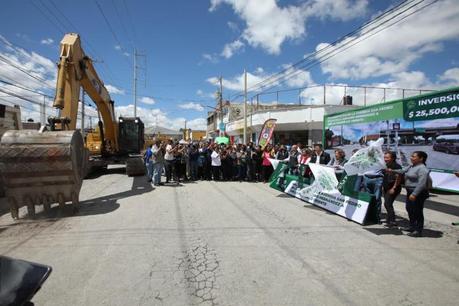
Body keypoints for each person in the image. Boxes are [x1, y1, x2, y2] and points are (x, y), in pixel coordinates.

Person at [388, 151, 430, 237]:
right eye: (411, 156)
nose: (411, 158)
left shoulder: (422, 169)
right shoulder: (412, 166)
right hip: (409, 191)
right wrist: (392, 171)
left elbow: (422, 183)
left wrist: (414, 194)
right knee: (410, 209)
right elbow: (402, 171)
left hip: (418, 192)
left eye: (414, 156)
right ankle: (412, 226)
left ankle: (418, 230)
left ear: (421, 158)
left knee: (417, 211)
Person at [382, 151, 402, 227]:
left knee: (387, 204)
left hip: (393, 188)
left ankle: (392, 221)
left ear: (393, 158)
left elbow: (398, 178)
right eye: (384, 157)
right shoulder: (386, 165)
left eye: (387, 157)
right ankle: (389, 219)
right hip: (386, 188)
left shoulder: (396, 166)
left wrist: (394, 188)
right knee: (387, 204)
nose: (385, 159)